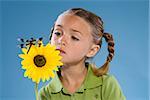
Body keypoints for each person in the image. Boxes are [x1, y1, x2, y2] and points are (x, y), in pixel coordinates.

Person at [39, 8, 126, 100]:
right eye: (58, 33)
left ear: (92, 50)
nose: (61, 40)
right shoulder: (45, 94)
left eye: (74, 37)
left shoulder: (107, 84)